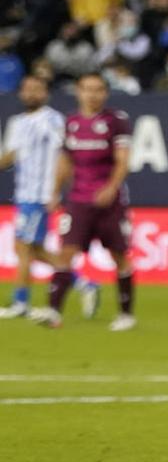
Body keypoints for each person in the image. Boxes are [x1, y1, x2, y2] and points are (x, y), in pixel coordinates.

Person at [29, 73, 133, 330]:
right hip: (78, 200)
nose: (92, 94)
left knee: (118, 255)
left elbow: (123, 160)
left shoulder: (115, 121)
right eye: (87, 89)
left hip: (109, 202)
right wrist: (54, 192)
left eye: (98, 89)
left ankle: (126, 314)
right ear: (78, 91)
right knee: (66, 252)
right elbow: (65, 161)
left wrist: (111, 187)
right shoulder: (71, 122)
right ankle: (53, 311)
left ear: (105, 93)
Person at [0, 76, 98, 319]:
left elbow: (67, 154)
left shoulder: (52, 120)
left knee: (23, 247)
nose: (31, 93)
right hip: (23, 192)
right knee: (33, 249)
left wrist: (59, 190)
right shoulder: (18, 122)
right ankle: (84, 284)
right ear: (21, 93)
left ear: (45, 93)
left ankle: (20, 303)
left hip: (39, 194)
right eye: (27, 89)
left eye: (37, 89)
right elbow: (10, 156)